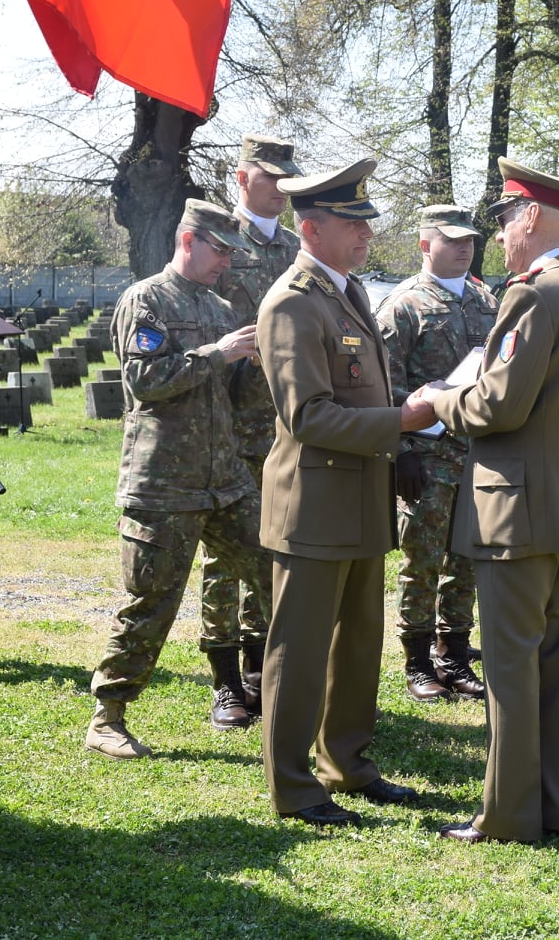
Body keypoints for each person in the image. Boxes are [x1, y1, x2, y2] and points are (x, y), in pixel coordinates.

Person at [421, 157, 559, 845]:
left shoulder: (536, 294)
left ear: (530, 216)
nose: (499, 235)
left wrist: (438, 400)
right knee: (551, 664)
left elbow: (498, 405)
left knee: (509, 667)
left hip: (516, 508)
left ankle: (506, 815)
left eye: (504, 219)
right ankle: (557, 805)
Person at [254, 158, 435, 828]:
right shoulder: (292, 302)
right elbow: (309, 416)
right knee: (299, 652)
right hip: (313, 507)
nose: (366, 234)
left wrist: (400, 425)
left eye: (365, 222)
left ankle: (347, 763)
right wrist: (403, 422)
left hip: (360, 502)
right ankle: (294, 786)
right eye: (351, 223)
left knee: (357, 645)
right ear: (311, 228)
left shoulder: (348, 291)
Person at [85, 200, 273, 758]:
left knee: (280, 574)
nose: (228, 263)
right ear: (188, 241)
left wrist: (254, 366)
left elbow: (234, 395)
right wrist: (219, 353)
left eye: (233, 253)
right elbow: (144, 380)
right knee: (151, 601)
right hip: (163, 484)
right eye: (221, 251)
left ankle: (286, 693)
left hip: (225, 479)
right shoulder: (146, 299)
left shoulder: (220, 307)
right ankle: (107, 717)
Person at [376, 204, 498, 702]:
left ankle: (454, 653)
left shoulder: (486, 300)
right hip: (427, 456)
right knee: (422, 561)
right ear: (426, 244)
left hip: (477, 453)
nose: (465, 247)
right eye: (453, 240)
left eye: (469, 239)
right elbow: (386, 386)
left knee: (466, 558)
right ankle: (418, 661)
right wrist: (401, 450)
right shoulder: (403, 305)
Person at [212, 134, 304, 707]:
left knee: (275, 546)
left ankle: (258, 667)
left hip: (287, 423)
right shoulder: (218, 240)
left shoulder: (297, 247)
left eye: (287, 179)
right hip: (227, 424)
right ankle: (224, 680)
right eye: (271, 177)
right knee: (225, 555)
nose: (281, 189)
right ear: (243, 177)